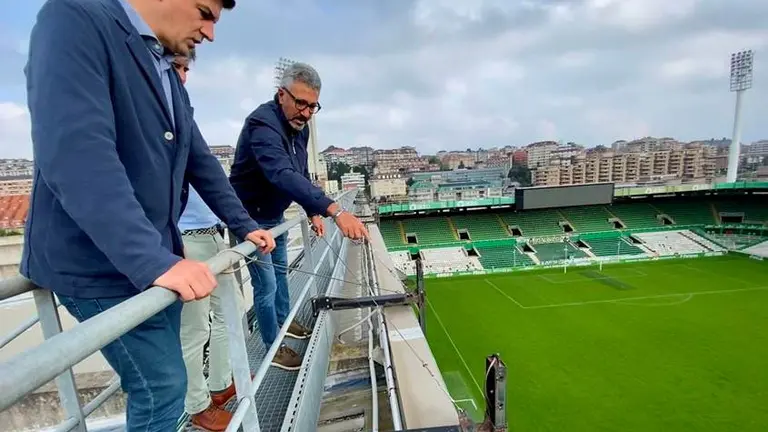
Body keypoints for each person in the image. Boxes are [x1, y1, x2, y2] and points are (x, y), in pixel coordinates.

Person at [23, 1, 275, 430]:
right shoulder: (73, 17)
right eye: (205, 12)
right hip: (97, 264)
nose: (210, 33)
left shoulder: (158, 61)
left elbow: (199, 160)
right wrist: (154, 260)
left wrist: (244, 225)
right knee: (162, 387)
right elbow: (79, 155)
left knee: (166, 384)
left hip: (151, 261)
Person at [229, 62, 369, 371]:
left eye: (312, 106)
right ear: (282, 95)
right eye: (300, 103)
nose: (305, 113)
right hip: (250, 221)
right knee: (265, 285)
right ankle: (273, 347)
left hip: (275, 216)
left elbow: (300, 172)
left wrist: (311, 210)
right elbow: (280, 173)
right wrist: (335, 210)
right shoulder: (262, 125)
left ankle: (283, 322)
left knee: (280, 276)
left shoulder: (298, 129)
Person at [173, 51, 241, 432]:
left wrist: (241, 224)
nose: (181, 76)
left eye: (185, 68)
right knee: (195, 327)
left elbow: (208, 174)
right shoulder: (156, 118)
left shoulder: (181, 114)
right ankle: (198, 405)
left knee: (227, 312)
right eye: (175, 67)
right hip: (187, 240)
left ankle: (218, 385)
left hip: (213, 235)